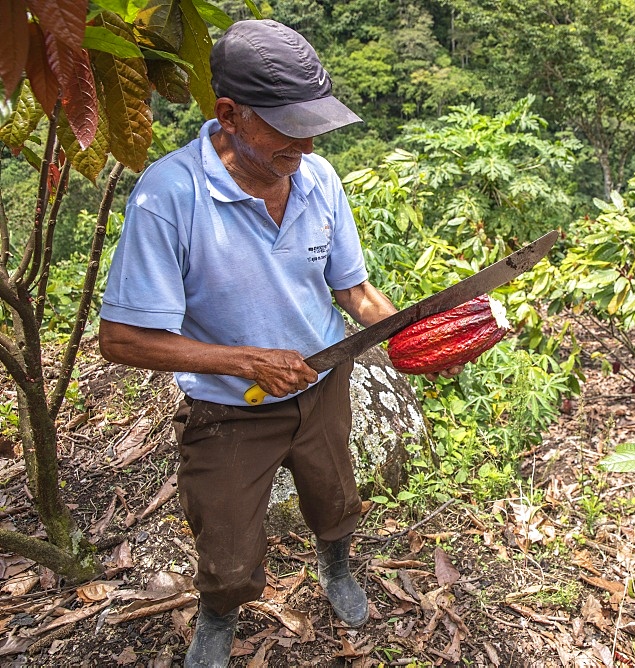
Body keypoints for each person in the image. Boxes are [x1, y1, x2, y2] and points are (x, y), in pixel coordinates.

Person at [98, 19, 460, 667]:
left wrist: (409, 331)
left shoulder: (318, 179)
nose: (310, 139)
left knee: (335, 497)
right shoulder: (169, 196)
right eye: (289, 124)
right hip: (229, 409)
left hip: (323, 385)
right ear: (229, 114)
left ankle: (336, 567)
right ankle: (219, 612)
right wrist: (244, 360)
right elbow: (122, 338)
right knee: (229, 541)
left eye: (314, 121)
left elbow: (355, 292)